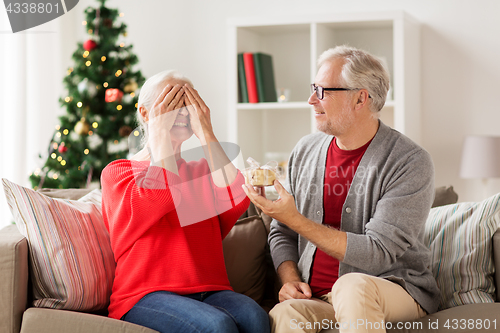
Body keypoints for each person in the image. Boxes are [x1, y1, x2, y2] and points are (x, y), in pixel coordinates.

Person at [242, 46, 440, 333]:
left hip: (393, 289)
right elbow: (282, 231)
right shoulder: (305, 150)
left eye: (323, 91)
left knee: (352, 285)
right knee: (285, 314)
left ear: (361, 98)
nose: (311, 100)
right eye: (313, 89)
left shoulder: (409, 161)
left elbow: (377, 252)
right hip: (319, 297)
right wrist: (288, 279)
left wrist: (294, 218)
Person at [101, 70, 270, 333]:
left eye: (188, 105)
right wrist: (159, 139)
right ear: (145, 115)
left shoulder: (201, 170)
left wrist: (206, 133)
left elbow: (237, 196)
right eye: (170, 103)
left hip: (211, 290)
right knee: (218, 326)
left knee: (255, 317)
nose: (181, 112)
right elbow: (161, 197)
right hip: (144, 295)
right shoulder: (119, 172)